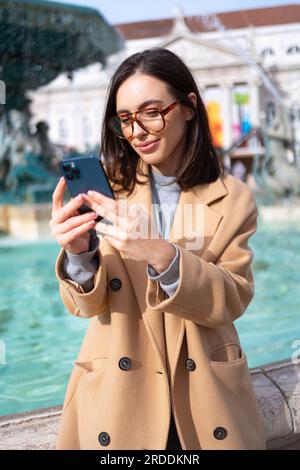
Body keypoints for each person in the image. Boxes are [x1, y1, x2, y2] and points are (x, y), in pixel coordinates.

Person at [50, 48, 266, 450]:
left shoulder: (233, 198)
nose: (137, 132)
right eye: (126, 119)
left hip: (204, 397)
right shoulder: (107, 190)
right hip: (119, 399)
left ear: (188, 107)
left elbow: (233, 297)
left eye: (152, 112)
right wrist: (79, 255)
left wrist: (162, 255)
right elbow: (84, 307)